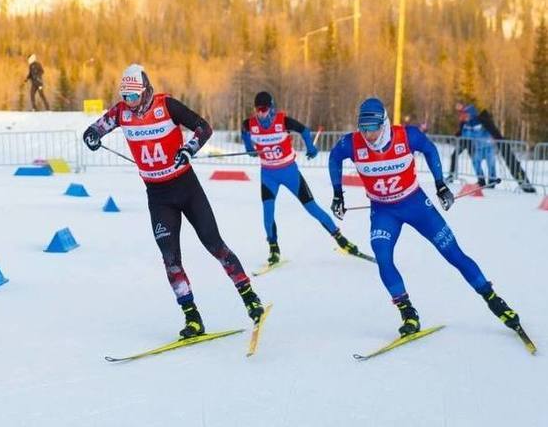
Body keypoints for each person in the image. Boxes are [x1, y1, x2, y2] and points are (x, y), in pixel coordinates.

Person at [82, 64, 264, 339]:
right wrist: (92, 136)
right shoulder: (121, 113)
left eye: (133, 96)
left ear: (144, 91)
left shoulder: (166, 105)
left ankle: (250, 298)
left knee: (215, 245)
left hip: (186, 187)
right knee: (170, 259)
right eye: (125, 97)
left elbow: (203, 127)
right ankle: (192, 318)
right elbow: (96, 128)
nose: (129, 103)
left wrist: (188, 149)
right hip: (158, 196)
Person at [328, 97, 523, 338]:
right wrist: (338, 194)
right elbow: (334, 158)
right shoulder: (351, 143)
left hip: (416, 205)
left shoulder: (406, 136)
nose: (368, 135)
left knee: (453, 253)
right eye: (363, 128)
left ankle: (494, 300)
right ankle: (408, 312)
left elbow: (430, 149)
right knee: (383, 256)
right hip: (383, 211)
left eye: (373, 128)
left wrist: (441, 186)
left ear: (384, 123)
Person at [240, 91, 365, 265]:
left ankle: (341, 239)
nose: (260, 113)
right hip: (268, 175)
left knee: (312, 208)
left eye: (264, 109)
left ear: (271, 108)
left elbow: (304, 130)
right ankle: (273, 249)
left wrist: (311, 148)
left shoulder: (283, 121)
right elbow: (244, 133)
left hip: (289, 172)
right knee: (268, 212)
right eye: (257, 110)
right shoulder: (249, 124)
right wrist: (249, 148)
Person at [459, 104, 499, 187]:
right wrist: (462, 123)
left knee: (491, 164)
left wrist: (494, 137)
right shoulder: (467, 124)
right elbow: (464, 135)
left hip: (489, 146)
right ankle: (481, 180)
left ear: (471, 113)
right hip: (479, 147)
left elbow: (486, 130)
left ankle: (492, 181)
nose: (465, 115)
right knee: (475, 162)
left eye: (467, 113)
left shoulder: (480, 121)